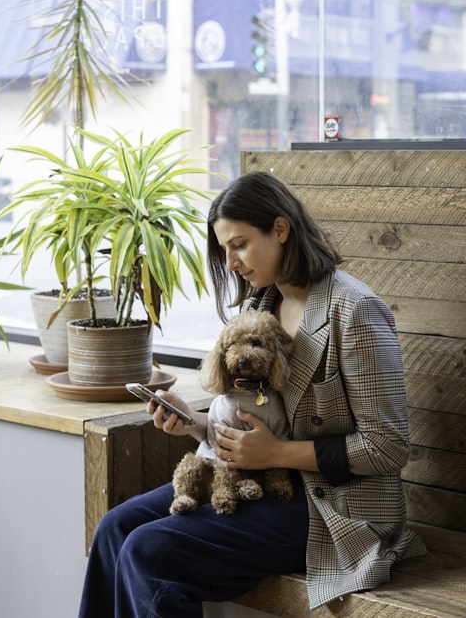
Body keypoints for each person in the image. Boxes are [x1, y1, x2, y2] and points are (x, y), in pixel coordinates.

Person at [78, 171, 425, 617]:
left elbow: (388, 447)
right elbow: (253, 415)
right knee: (115, 528)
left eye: (239, 245)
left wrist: (276, 453)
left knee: (150, 550)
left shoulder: (354, 311)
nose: (230, 263)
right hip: (255, 481)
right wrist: (196, 423)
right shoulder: (261, 305)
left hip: (331, 505)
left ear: (280, 230)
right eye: (224, 250)